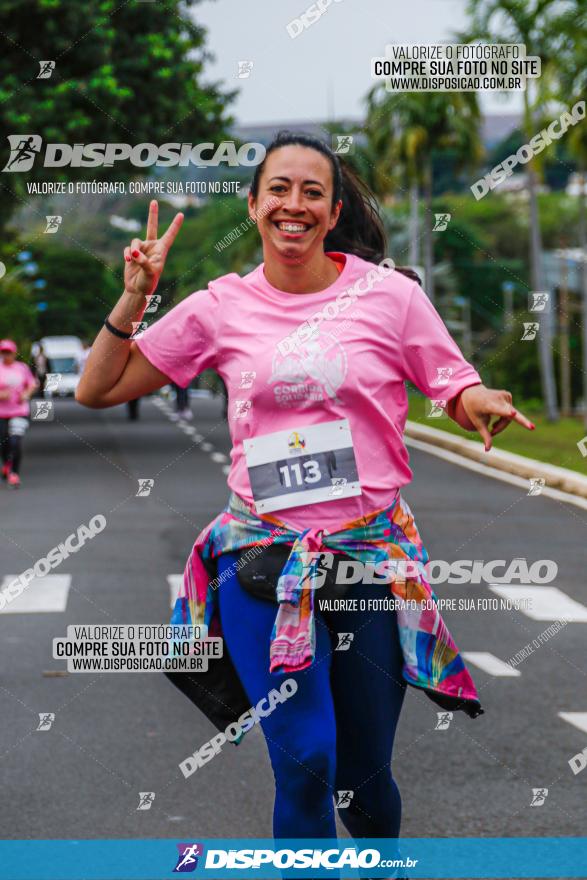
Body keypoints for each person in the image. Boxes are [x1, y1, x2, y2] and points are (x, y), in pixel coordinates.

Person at [75, 131, 534, 853]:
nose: (294, 204)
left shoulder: (389, 297)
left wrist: (477, 401)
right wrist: (133, 298)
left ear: (333, 208)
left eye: (311, 192)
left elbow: (452, 382)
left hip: (366, 560)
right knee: (305, 762)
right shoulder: (218, 306)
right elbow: (97, 387)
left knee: (362, 775)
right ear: (254, 205)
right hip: (260, 557)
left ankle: (384, 869)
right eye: (279, 189)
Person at [0, 339, 38, 488]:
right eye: (3, 352)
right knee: (4, 442)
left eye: (8, 352)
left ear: (14, 353)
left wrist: (26, 394)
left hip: (19, 411)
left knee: (15, 441)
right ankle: (6, 464)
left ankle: (14, 473)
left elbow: (32, 383)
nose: (6, 355)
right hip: (1, 413)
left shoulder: (21, 368)